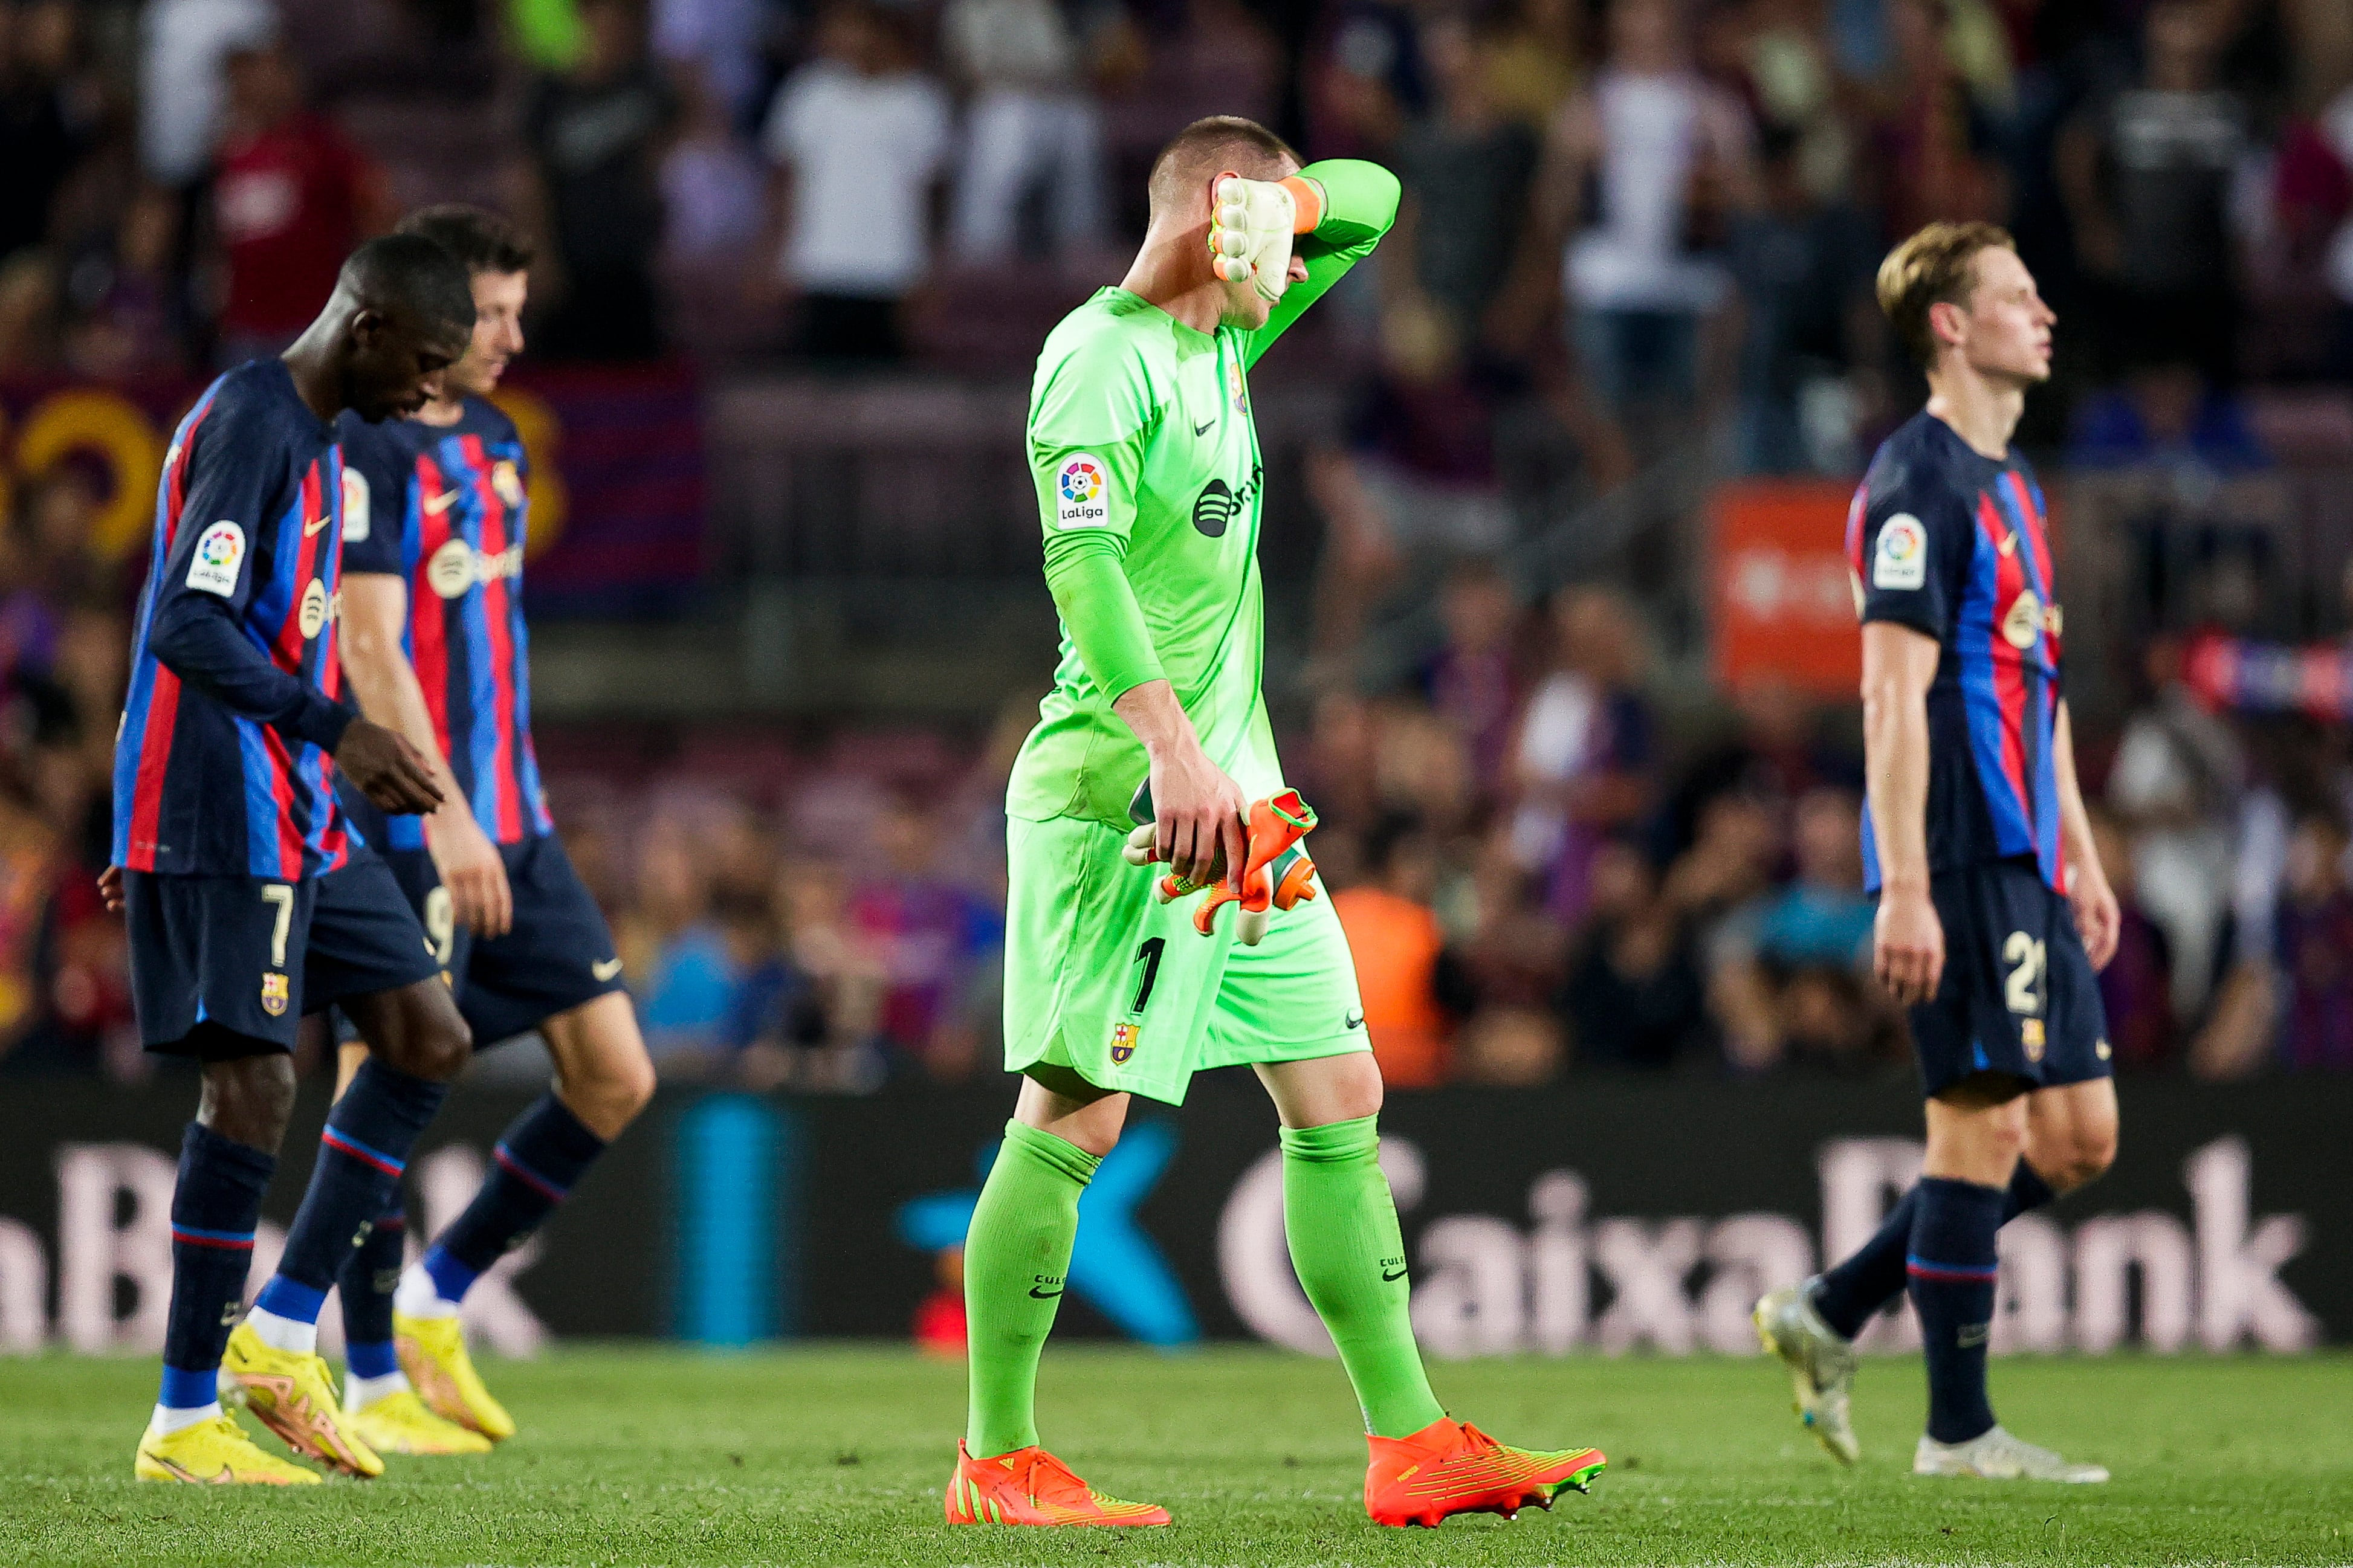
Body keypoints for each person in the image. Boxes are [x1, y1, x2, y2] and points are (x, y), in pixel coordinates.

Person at [959, 114, 1604, 1532]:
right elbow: (1085, 568)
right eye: (1277, 232)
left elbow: (1377, 199)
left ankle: (1413, 1439)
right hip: (1129, 799)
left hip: (1247, 810)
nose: (1313, 261)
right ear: (1217, 221)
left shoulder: (1223, 344)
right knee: (1073, 1116)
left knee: (1341, 1100)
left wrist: (1286, 203)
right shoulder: (1101, 356)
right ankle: (995, 1458)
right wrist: (1174, 750)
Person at [1753, 221, 2119, 1483]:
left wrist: (2081, 845)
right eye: (2020, 296)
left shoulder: (2015, 481)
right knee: (1978, 1132)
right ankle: (1957, 1431)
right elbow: (1889, 697)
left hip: (2027, 847)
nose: (2046, 313)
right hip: (1956, 845)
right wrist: (1904, 883)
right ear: (1951, 326)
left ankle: (1834, 1306)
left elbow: (2041, 682)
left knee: (2079, 1138)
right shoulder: (1917, 484)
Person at [109, 234, 477, 1484]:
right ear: (365, 323)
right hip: (229, 805)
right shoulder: (257, 422)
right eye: (424, 362)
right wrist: (337, 729)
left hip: (299, 810)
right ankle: (181, 1417)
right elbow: (185, 619)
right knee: (254, 1088)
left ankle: (278, 1331)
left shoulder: (318, 438)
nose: (429, 392)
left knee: (427, 1034)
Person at [328, 205, 656, 1454]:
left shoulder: (504, 441)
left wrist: (497, 809)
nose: (516, 335)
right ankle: (363, 1383)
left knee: (616, 1073)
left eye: (522, 310)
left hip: (517, 819)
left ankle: (433, 1298)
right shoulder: (362, 445)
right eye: (495, 314)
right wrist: (448, 813)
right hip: (415, 827)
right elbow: (371, 653)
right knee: (388, 1077)